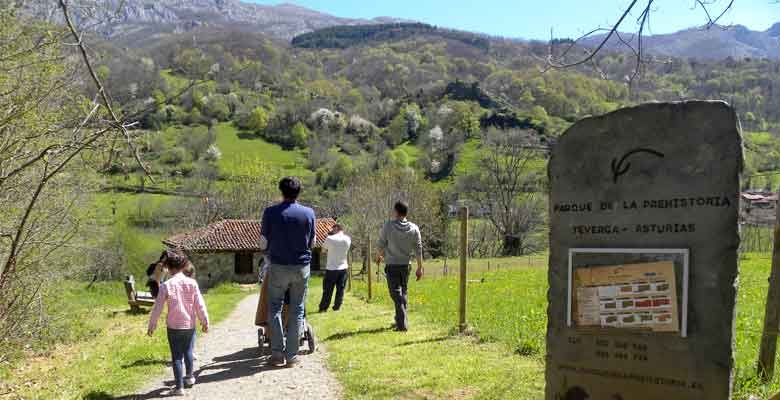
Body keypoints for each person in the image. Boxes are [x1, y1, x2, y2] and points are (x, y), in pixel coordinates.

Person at [262, 176, 315, 368]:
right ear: (299, 192)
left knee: (274, 307)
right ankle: (292, 355)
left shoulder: (270, 212)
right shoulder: (309, 213)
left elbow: (264, 243)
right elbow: (312, 243)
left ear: (281, 191)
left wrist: (268, 254)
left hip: (278, 267)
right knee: (297, 308)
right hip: (301, 267)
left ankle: (277, 353)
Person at [147, 250, 209, 397]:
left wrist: (152, 325)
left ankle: (179, 387)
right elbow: (200, 304)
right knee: (188, 351)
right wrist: (205, 321)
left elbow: (158, 307)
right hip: (189, 324)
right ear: (183, 265)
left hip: (173, 326)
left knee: (176, 357)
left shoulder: (165, 286)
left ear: (168, 267)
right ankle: (190, 377)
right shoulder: (192, 283)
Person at [376, 201, 424, 332]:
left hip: (392, 265)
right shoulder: (414, 228)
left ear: (396, 212)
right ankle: (400, 319)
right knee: (403, 291)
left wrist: (379, 256)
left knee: (395, 294)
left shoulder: (389, 226)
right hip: (405, 266)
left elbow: (381, 244)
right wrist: (420, 267)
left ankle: (402, 324)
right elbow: (418, 249)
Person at [318, 224, 352, 312]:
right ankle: (337, 307)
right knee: (340, 289)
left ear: (336, 228)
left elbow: (323, 250)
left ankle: (323, 308)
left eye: (332, 229)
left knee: (328, 290)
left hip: (332, 268)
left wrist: (329, 239)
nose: (331, 231)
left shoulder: (330, 238)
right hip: (343, 267)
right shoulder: (348, 238)